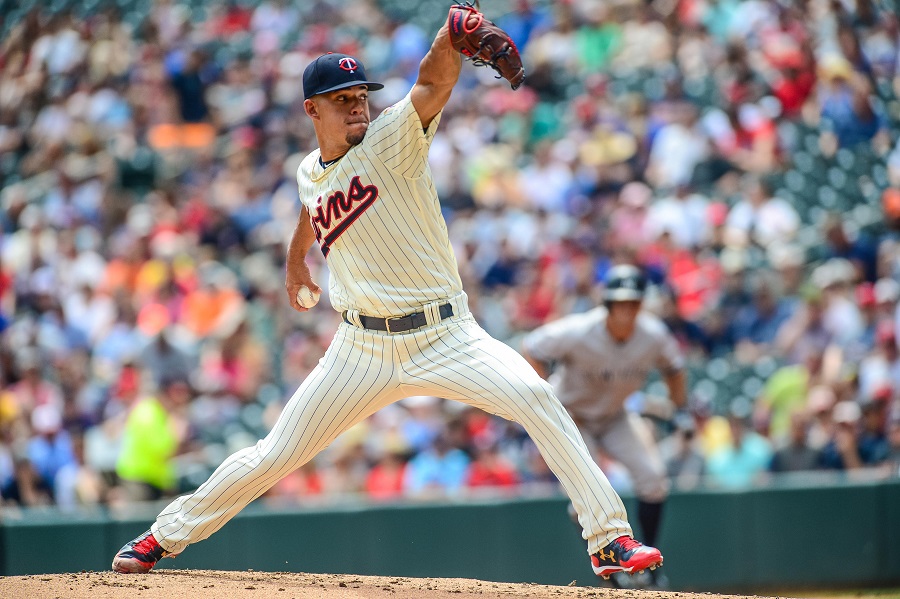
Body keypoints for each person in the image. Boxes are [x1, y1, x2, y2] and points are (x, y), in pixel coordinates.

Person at [111, 16, 663, 582]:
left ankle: (608, 537)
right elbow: (313, 201)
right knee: (273, 454)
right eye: (342, 98)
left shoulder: (392, 138)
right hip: (360, 349)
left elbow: (431, 85)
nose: (357, 106)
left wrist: (451, 37)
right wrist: (296, 258)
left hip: (447, 335)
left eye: (360, 95)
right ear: (312, 111)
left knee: (535, 396)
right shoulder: (308, 170)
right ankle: (162, 537)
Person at [521, 264, 685, 589]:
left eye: (632, 303)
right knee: (586, 495)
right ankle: (614, 578)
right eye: (619, 302)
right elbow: (533, 346)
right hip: (573, 417)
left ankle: (650, 570)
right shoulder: (581, 329)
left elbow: (675, 369)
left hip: (615, 416)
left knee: (653, 478)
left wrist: (680, 408)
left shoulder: (653, 335)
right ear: (607, 303)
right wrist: (542, 395)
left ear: (640, 305)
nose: (625, 310)